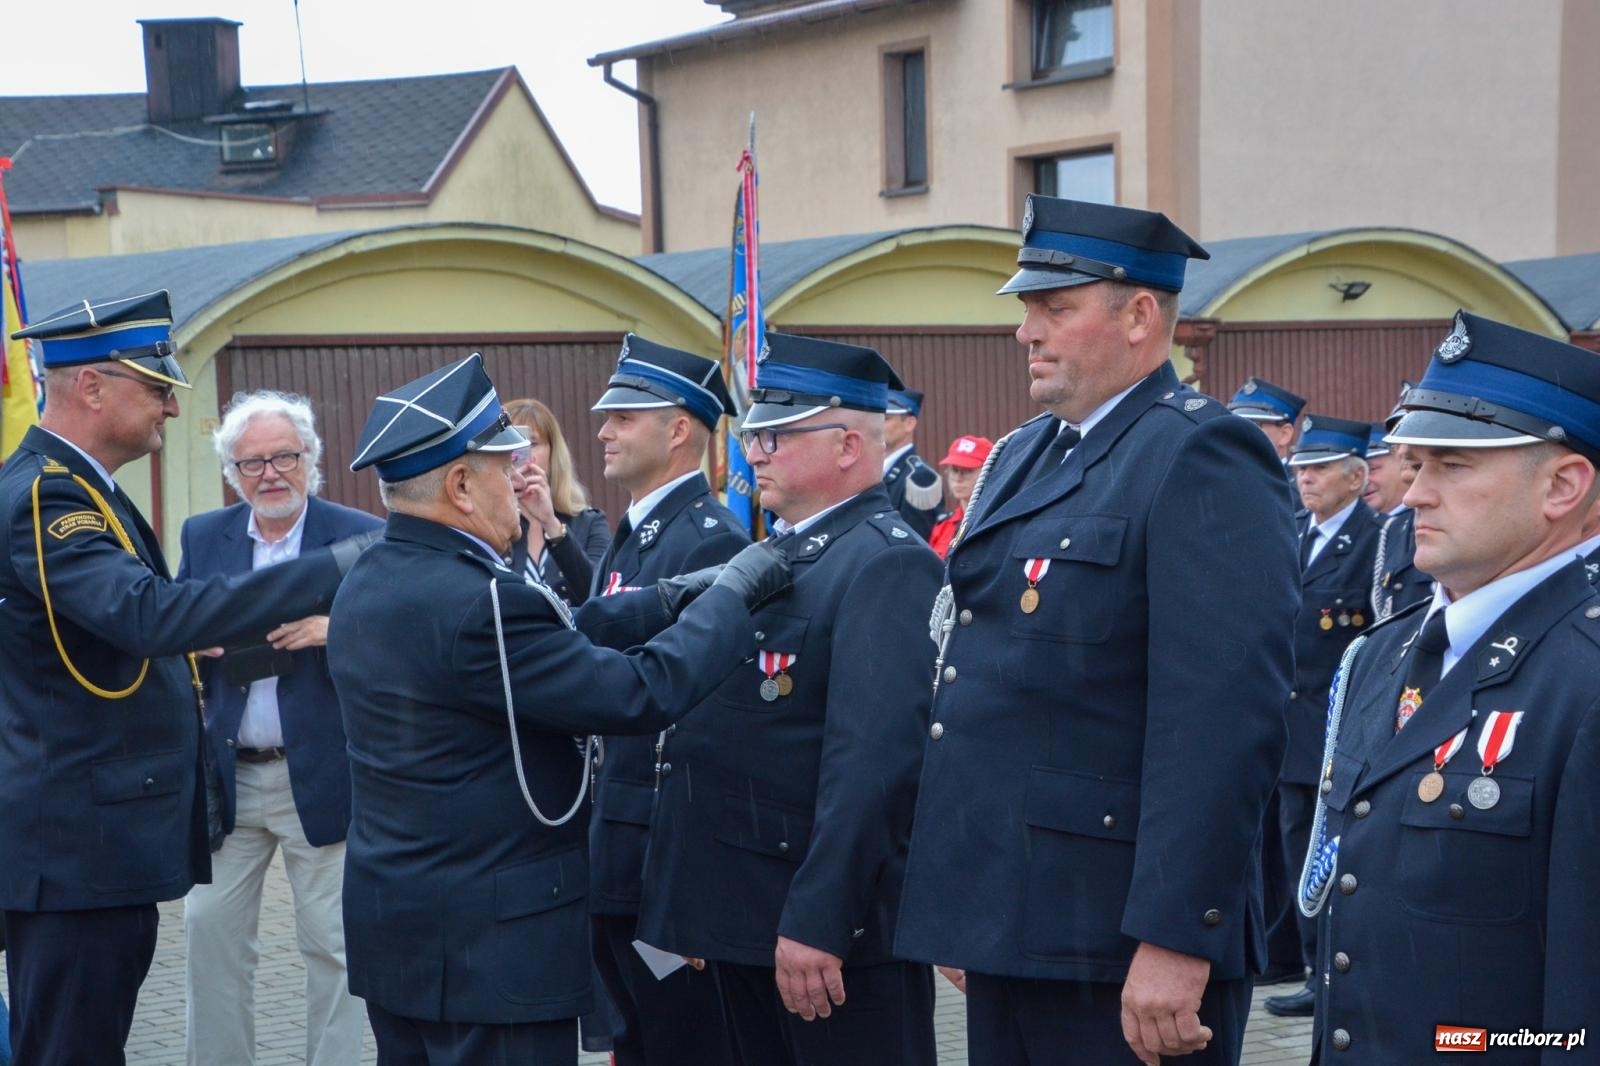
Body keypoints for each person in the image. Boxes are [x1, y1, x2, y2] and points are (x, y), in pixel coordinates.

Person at [894, 196, 1299, 1066]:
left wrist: (1177, 937)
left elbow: (1221, 721)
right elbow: (984, 681)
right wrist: (971, 899)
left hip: (1119, 941)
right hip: (1018, 918)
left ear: (1141, 315)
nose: (1026, 332)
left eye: (1056, 308)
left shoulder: (1202, 455)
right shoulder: (1033, 451)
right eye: (1027, 309)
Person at [327, 352, 790, 1066]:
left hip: (403, 937)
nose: (518, 482)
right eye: (499, 468)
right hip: (493, 950)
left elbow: (550, 645)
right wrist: (730, 599)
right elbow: (636, 693)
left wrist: (667, 600)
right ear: (458, 485)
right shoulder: (483, 597)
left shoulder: (373, 578)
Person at [0, 290, 371, 1066]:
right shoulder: (47, 493)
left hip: (96, 843)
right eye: (155, 385)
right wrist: (334, 567)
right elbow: (150, 618)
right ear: (92, 387)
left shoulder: (83, 488)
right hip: (76, 848)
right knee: (71, 1045)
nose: (172, 406)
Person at [630, 332, 945, 1065]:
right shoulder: (786, 551)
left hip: (824, 935)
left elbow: (873, 766)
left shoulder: (885, 562)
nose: (755, 452)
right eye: (753, 434)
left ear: (845, 447)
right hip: (747, 915)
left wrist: (820, 918)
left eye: (775, 434)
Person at [1301, 312, 1600, 1060]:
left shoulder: (1587, 674)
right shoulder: (1385, 651)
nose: (1412, 495)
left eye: (1453, 466)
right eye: (1416, 464)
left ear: (1563, 485)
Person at [177, 390, 381, 1066]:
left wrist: (334, 629)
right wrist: (195, 640)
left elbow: (398, 630)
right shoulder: (204, 536)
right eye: (252, 462)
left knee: (334, 947)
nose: (270, 473)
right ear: (232, 474)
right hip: (228, 776)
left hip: (320, 772)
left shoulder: (358, 534)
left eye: (284, 457)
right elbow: (174, 620)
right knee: (209, 938)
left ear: (312, 459)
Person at [585, 334, 748, 1066]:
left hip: (667, 862)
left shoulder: (708, 541)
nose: (603, 432)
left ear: (677, 428)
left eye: (622, 417)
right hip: (620, 844)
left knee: (685, 1043)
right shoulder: (639, 533)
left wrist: (696, 890)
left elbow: (708, 717)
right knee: (637, 1040)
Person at [1262, 413, 1379, 1020]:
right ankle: (1298, 958)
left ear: (1356, 478)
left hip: (1336, 731)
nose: (1304, 479)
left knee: (1329, 855)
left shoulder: (1373, 541)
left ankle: (1324, 970)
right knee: (1290, 849)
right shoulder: (1293, 530)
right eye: (1302, 468)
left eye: (1319, 469)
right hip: (1289, 726)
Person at [502, 396, 608, 605]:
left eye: (532, 443)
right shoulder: (481, 523)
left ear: (553, 453)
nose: (522, 454)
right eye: (511, 442)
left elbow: (600, 596)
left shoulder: (590, 522)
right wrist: (505, 505)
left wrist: (551, 524)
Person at [882, 386, 943, 540]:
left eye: (886, 419)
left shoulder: (920, 478)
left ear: (909, 423)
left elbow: (918, 540)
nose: (877, 425)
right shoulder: (873, 471)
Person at [927, 434, 992, 559]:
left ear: (988, 472)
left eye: (967, 470)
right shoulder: (943, 527)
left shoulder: (995, 522)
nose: (958, 478)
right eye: (954, 470)